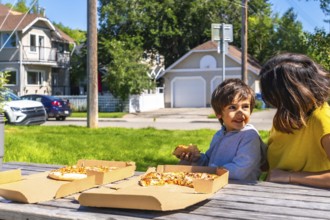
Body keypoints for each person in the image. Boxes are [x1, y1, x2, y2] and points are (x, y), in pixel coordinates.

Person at [259, 53, 330, 188]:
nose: (270, 101)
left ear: (291, 94)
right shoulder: (286, 116)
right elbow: (275, 162)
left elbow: (281, 174)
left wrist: (290, 177)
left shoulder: (323, 119)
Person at [177, 78, 266, 181]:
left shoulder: (249, 136)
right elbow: (209, 160)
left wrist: (209, 171)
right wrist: (196, 159)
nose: (240, 112)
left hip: (240, 190)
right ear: (219, 113)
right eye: (233, 107)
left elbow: (240, 171)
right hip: (218, 185)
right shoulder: (219, 135)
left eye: (245, 106)